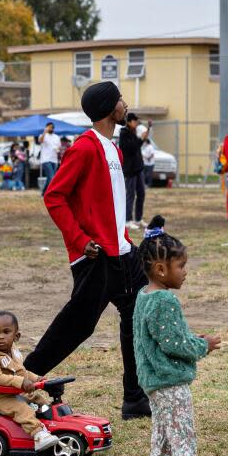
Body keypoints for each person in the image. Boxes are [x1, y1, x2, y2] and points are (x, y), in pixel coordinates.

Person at [23, 81, 151, 420]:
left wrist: (124, 238)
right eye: (121, 99)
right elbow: (54, 196)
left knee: (137, 318)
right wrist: (80, 241)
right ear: (111, 108)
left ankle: (135, 399)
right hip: (96, 256)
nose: (126, 104)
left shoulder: (115, 148)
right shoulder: (84, 148)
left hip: (123, 253)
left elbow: (109, 202)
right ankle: (21, 378)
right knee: (78, 326)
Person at [133, 215, 225, 456]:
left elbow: (162, 339)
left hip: (152, 383)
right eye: (181, 266)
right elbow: (174, 345)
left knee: (161, 444)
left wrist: (191, 340)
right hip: (170, 384)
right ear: (161, 269)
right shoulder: (165, 300)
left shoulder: (143, 297)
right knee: (184, 442)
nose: (185, 272)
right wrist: (204, 345)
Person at [0, 311, 60, 452]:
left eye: (6, 332)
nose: (1, 337)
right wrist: (21, 382)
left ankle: (50, 424)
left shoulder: (13, 352)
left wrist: (37, 379)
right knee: (22, 409)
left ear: (16, 336)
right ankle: (38, 435)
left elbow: (22, 372)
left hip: (14, 393)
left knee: (38, 398)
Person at [119, 113, 146, 229]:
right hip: (130, 170)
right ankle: (127, 220)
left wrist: (141, 139)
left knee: (141, 194)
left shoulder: (133, 133)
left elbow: (136, 147)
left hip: (138, 169)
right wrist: (141, 139)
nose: (137, 123)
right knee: (130, 195)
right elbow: (131, 148)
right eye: (135, 121)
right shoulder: (124, 134)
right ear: (129, 121)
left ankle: (138, 219)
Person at [38, 121, 61, 196]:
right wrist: (44, 132)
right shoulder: (43, 135)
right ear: (47, 127)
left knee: (50, 178)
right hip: (45, 159)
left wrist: (58, 149)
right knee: (51, 177)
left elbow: (59, 147)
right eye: (50, 127)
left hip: (54, 159)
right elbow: (40, 141)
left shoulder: (56, 137)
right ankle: (50, 193)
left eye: (52, 127)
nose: (51, 128)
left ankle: (44, 193)